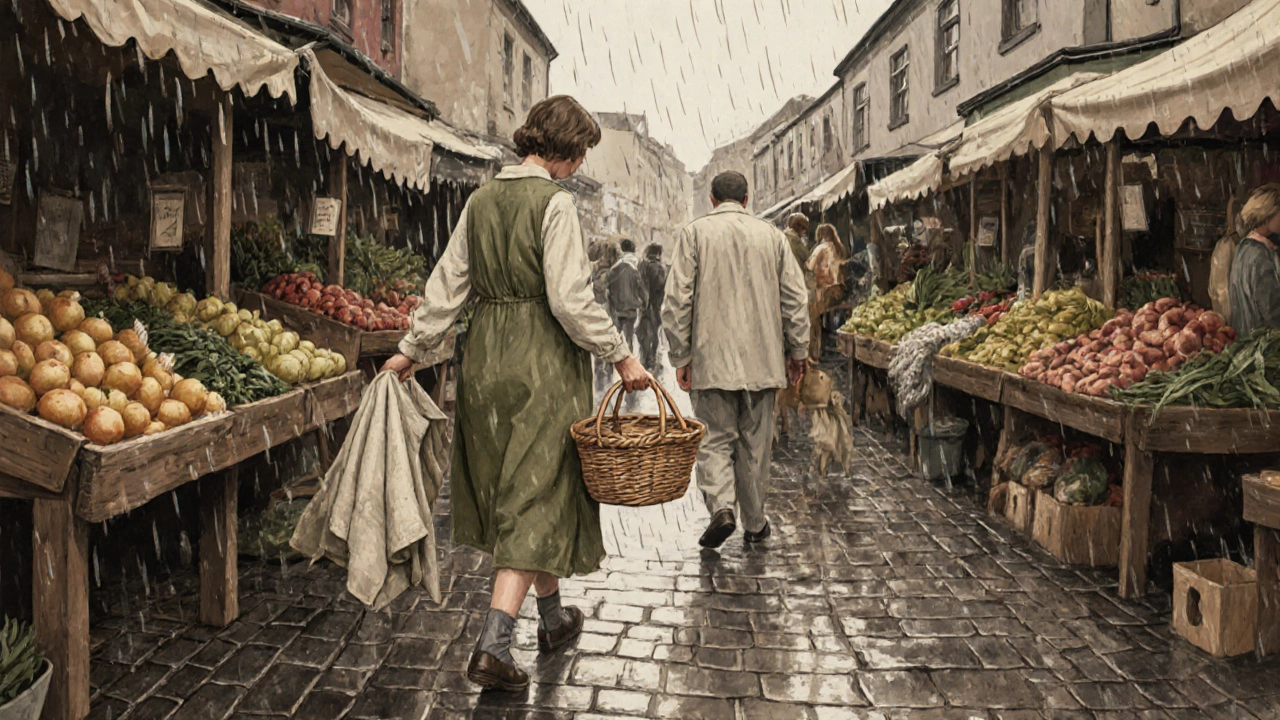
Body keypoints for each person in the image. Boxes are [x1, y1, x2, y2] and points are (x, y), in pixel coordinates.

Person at [381, 95, 651, 692]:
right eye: (580, 153)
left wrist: (413, 348)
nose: (580, 165)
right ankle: (494, 646)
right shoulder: (554, 203)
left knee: (527, 486)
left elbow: (448, 284)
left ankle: (552, 621)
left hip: (485, 362)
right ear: (564, 150)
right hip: (541, 361)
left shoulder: (480, 200)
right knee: (536, 492)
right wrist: (622, 353)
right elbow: (570, 300)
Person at [662, 171, 809, 549]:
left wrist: (681, 354)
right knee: (756, 446)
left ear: (712, 199)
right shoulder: (773, 237)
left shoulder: (694, 234)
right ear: (747, 199)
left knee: (713, 439)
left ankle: (723, 508)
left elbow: (677, 300)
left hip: (711, 359)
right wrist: (798, 352)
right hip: (763, 361)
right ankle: (756, 522)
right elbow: (795, 300)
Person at [1229, 184, 1280, 336]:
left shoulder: (1243, 247)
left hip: (1244, 338)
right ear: (1267, 215)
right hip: (1260, 344)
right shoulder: (1260, 255)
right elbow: (1272, 312)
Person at [806, 223, 848, 361]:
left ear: (820, 235)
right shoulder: (838, 248)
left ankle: (815, 353)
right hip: (836, 291)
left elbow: (809, 266)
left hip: (823, 292)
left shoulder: (820, 248)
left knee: (812, 318)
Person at [606, 238, 648, 350]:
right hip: (631, 309)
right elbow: (642, 290)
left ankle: (614, 363)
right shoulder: (635, 269)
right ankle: (627, 359)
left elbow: (607, 287)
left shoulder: (614, 269)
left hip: (616, 309)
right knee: (628, 338)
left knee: (616, 338)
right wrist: (644, 304)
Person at [637, 243, 668, 373]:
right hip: (656, 305)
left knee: (644, 331)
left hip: (644, 305)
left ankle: (645, 357)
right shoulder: (660, 268)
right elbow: (662, 288)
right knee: (655, 331)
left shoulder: (641, 265)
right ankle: (652, 358)